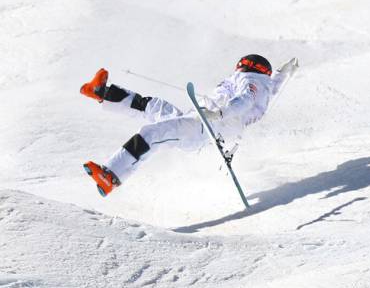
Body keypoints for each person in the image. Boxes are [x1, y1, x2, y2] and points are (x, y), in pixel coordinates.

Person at [79, 54, 275, 196]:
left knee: (153, 134)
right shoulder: (263, 85)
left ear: (251, 66)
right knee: (153, 106)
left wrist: (219, 113)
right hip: (199, 121)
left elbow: (245, 100)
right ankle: (102, 93)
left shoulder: (251, 79)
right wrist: (286, 71)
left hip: (207, 128)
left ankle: (110, 176)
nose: (240, 66)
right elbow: (273, 85)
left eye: (243, 63)